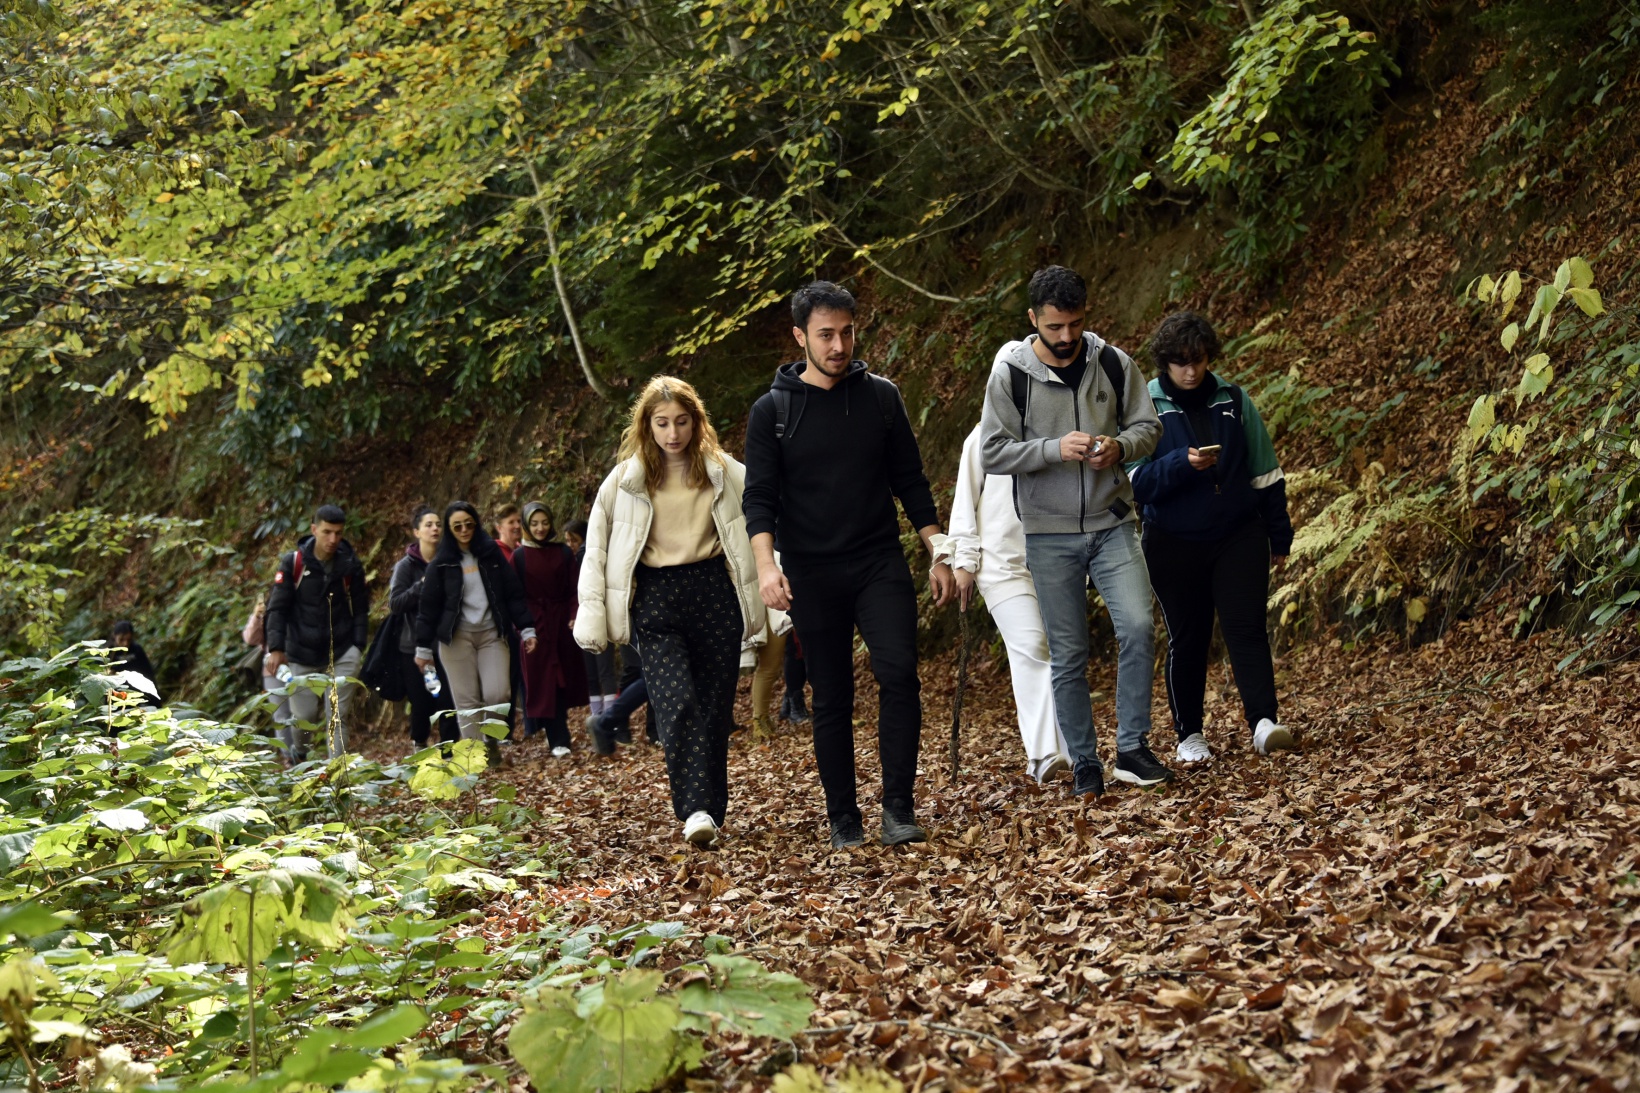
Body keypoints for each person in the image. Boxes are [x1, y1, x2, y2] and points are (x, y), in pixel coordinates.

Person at [743, 281, 956, 850]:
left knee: (899, 673)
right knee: (832, 693)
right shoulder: (773, 412)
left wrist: (938, 548)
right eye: (825, 335)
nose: (839, 346)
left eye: (847, 333)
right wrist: (767, 566)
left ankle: (898, 808)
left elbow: (910, 479)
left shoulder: (881, 398)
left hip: (877, 560)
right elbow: (758, 497)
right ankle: (843, 816)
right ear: (800, 337)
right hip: (811, 570)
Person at [978, 265, 1169, 797]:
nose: (1066, 337)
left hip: (1113, 522)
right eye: (1054, 327)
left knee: (1138, 628)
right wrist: (1052, 449)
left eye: (1075, 324)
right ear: (1033, 319)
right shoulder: (1010, 376)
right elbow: (992, 452)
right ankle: (1084, 760)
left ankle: (1132, 748)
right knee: (1068, 653)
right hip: (1047, 532)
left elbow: (1149, 426)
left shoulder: (1113, 362)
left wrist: (1119, 447)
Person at [575, 375, 766, 847]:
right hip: (656, 598)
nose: (673, 433)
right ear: (647, 425)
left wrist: (774, 585)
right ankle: (695, 808)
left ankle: (710, 811)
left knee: (715, 709)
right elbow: (596, 550)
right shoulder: (624, 481)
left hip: (714, 593)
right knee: (676, 701)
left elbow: (764, 519)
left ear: (696, 422)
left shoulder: (724, 471)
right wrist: (592, 615)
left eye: (681, 421)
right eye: (662, 423)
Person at [1128, 311, 1297, 761]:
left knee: (1247, 627)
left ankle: (1264, 722)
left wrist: (1279, 536)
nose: (1190, 370)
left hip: (1238, 533)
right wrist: (1182, 464)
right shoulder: (1144, 406)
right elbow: (1135, 482)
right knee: (1189, 636)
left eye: (1198, 360)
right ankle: (1189, 735)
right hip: (1172, 540)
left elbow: (1266, 473)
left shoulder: (1234, 399)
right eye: (1180, 362)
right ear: (1165, 362)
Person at [949, 422, 1071, 783]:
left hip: (1054, 560)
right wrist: (964, 561)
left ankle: (1073, 753)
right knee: (1031, 646)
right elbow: (965, 500)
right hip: (1000, 563)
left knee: (1063, 652)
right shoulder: (984, 433)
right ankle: (1043, 754)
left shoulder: (1057, 426)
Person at [414, 501, 537, 766]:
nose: (464, 530)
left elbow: (513, 593)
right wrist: (423, 647)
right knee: (467, 703)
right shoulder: (441, 563)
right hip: (456, 640)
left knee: (498, 694)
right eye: (457, 526)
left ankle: (491, 738)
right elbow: (428, 607)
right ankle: (476, 757)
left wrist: (527, 628)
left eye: (468, 524)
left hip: (492, 633)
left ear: (476, 524)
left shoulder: (491, 554)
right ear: (449, 530)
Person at [266, 504, 370, 761]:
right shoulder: (294, 563)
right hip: (302, 652)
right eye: (327, 532)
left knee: (338, 715)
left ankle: (338, 773)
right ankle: (300, 754)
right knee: (304, 718)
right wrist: (276, 648)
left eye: (338, 533)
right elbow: (277, 608)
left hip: (342, 650)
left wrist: (358, 646)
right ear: (314, 530)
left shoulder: (349, 564)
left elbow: (361, 607)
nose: (333, 539)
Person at [513, 502, 589, 756]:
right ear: (526, 525)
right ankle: (557, 737)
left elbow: (575, 588)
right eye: (534, 524)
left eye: (545, 523)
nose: (540, 528)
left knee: (563, 679)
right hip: (535, 626)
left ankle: (558, 733)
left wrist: (574, 615)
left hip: (561, 624)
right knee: (543, 681)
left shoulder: (563, 553)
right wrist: (524, 626)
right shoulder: (519, 557)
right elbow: (515, 596)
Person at [388, 505, 457, 750]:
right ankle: (420, 744)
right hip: (413, 646)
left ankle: (449, 751)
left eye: (438, 524)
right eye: (429, 525)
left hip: (447, 642)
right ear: (416, 532)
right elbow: (395, 603)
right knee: (423, 701)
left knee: (448, 700)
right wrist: (423, 585)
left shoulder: (449, 561)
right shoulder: (406, 566)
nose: (435, 529)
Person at [565, 518, 620, 727]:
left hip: (594, 618)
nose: (570, 544)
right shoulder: (580, 557)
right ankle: (602, 717)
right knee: (598, 671)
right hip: (591, 618)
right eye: (568, 540)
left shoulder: (584, 557)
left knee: (601, 671)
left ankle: (606, 717)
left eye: (574, 540)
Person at [109, 621, 160, 702]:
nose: (125, 643)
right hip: (117, 694)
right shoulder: (109, 652)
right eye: (121, 639)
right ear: (114, 636)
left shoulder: (136, 650)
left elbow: (148, 673)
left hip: (137, 693)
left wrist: (155, 699)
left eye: (128, 640)